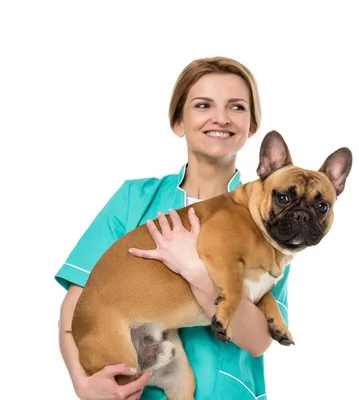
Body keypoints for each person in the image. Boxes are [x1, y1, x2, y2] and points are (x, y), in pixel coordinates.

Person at [56, 56, 291, 400]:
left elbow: (258, 342)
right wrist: (82, 382)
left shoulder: (272, 220)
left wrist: (196, 271)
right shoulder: (134, 198)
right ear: (178, 121)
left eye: (237, 107)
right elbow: (77, 310)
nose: (221, 117)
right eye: (203, 105)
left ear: (252, 126)